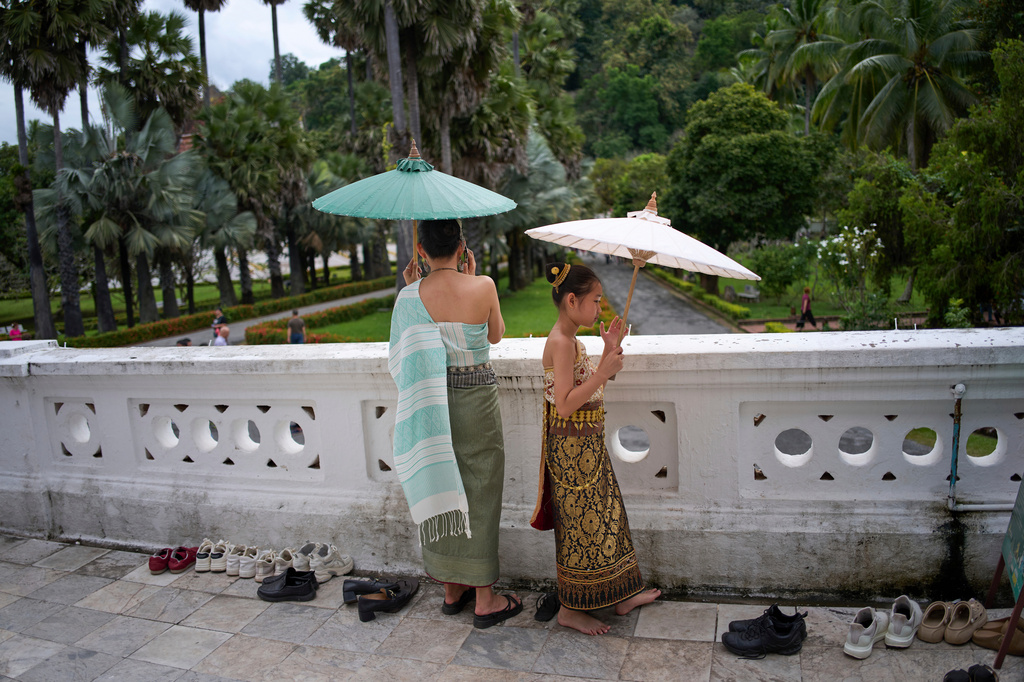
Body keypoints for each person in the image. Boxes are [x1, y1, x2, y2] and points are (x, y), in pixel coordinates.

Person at [389, 218, 522, 629]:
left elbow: (401, 352)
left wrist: (411, 289)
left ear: (422, 251)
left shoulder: (409, 296)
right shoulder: (483, 286)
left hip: (432, 402)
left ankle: (451, 589)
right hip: (476, 400)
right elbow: (496, 335)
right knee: (481, 488)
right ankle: (484, 598)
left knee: (441, 482)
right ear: (463, 247)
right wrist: (469, 278)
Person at [531, 262, 660, 635]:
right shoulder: (559, 342)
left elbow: (592, 390)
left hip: (588, 448)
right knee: (579, 532)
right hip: (571, 456)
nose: (600, 309)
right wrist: (603, 371)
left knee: (609, 521)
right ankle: (570, 610)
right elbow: (567, 403)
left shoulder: (574, 341)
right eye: (596, 301)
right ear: (572, 300)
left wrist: (608, 351)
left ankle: (620, 595)